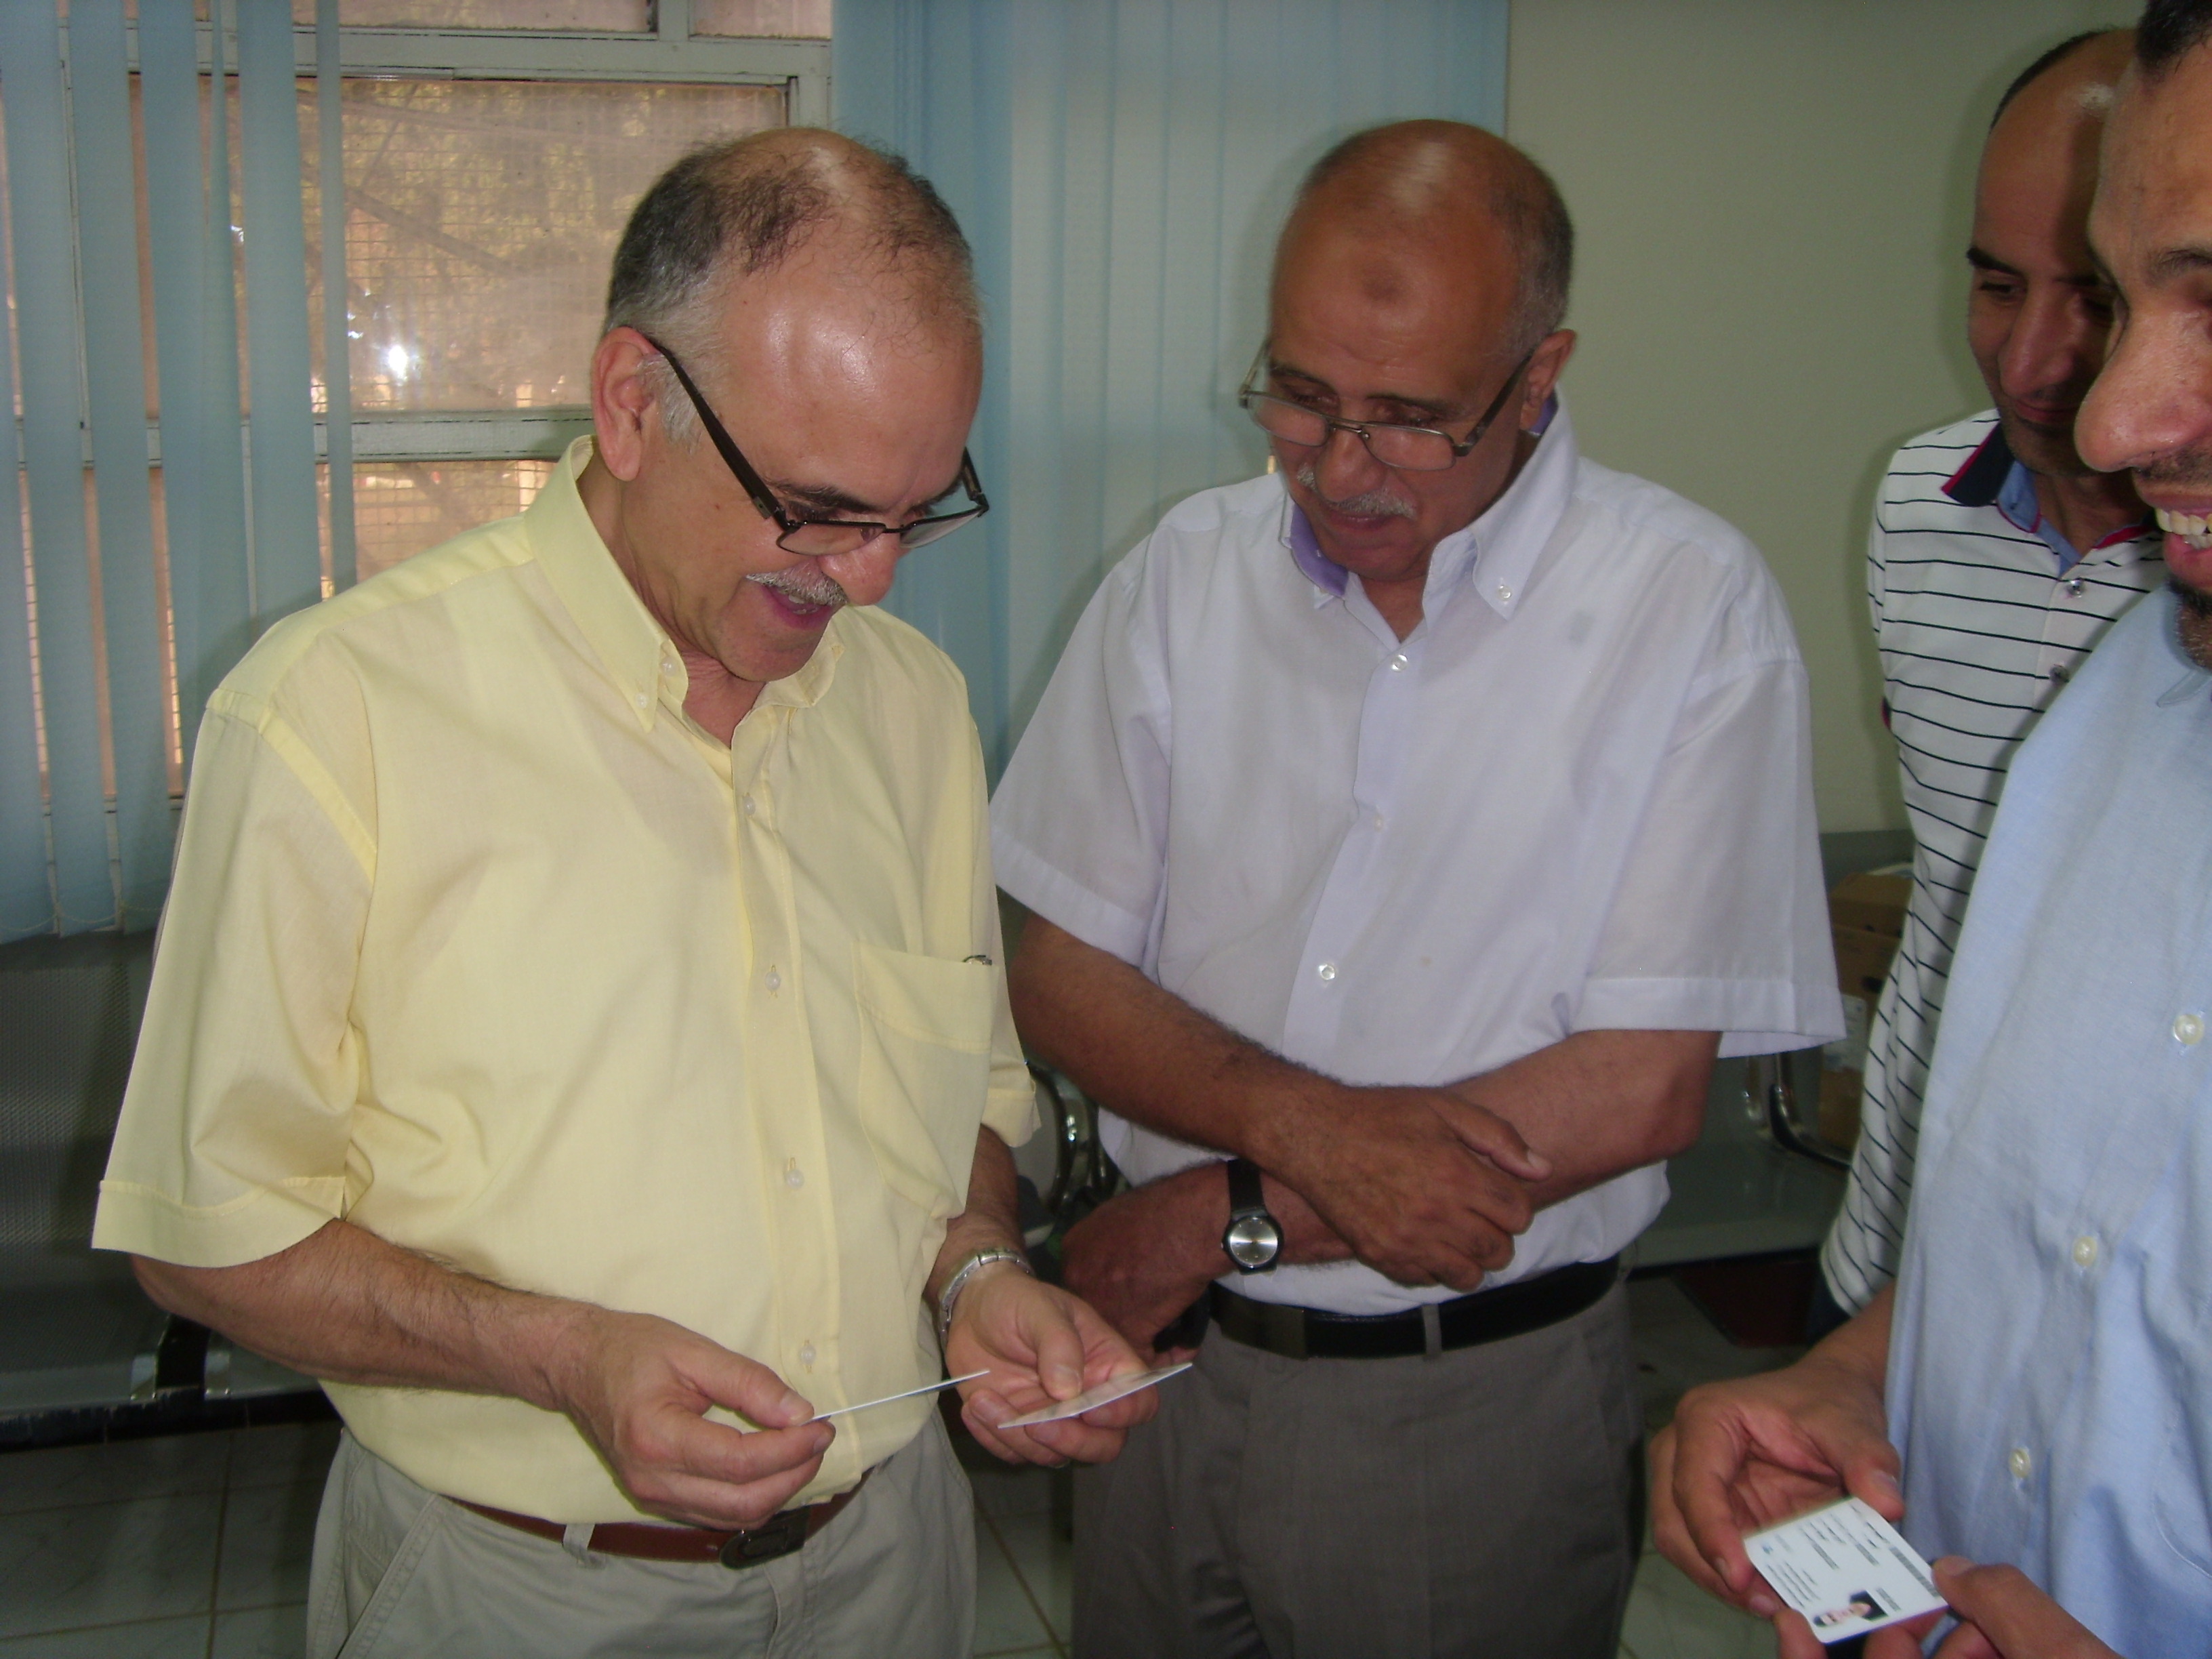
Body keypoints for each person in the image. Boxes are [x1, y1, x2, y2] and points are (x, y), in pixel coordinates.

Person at [90, 130, 1153, 1659]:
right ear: (633, 404)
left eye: (918, 511)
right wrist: (564, 1358)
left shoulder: (911, 707)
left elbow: (962, 1114)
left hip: (894, 1559)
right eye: (819, 507)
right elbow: (204, 1231)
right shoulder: (340, 714)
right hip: (518, 1585)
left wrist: (975, 1268)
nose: (869, 579)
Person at [991, 119, 1843, 1658]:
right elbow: (1058, 964)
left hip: (1471, 1413)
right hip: (1166, 1374)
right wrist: (1303, 1144)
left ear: (1538, 377)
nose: (1335, 467)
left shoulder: (1686, 608)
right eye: (1300, 396)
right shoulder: (1189, 574)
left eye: (1407, 420)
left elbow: (1640, 1085)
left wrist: (1225, 1213)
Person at [1652, 5, 2212, 1652]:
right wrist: (1858, 1366)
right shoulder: (2134, 688)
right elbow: (2098, 1193)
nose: (2097, 411)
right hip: (1930, 1335)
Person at [1816, 28, 2160, 1332]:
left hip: (2113, 1321)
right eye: (1998, 284)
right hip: (1886, 1258)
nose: (2028, 362)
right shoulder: (1917, 498)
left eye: (2097, 297)